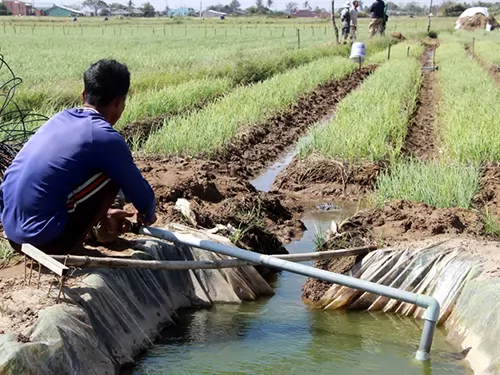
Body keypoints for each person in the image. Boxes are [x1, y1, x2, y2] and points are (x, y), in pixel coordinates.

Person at [0, 59, 157, 255]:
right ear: (119, 101)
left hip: (13, 233)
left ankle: (95, 226)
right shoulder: (104, 137)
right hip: (43, 241)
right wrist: (148, 215)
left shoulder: (59, 119)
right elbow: (142, 196)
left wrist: (103, 213)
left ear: (84, 94)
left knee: (76, 171)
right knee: (112, 172)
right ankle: (80, 241)